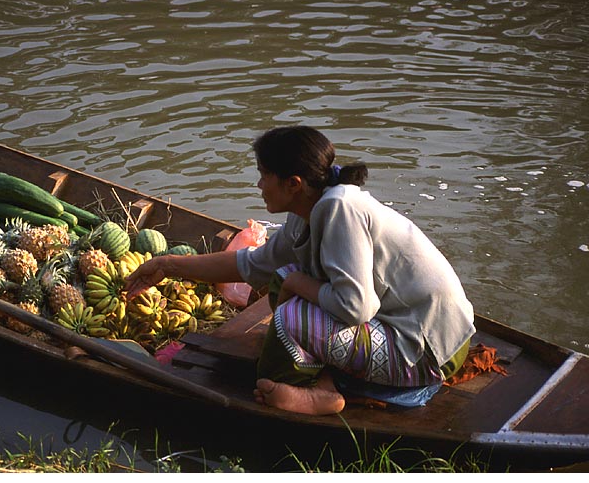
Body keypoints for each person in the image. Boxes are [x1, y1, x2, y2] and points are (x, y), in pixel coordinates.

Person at [125, 126, 475, 415]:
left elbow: (357, 308)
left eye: (264, 177)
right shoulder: (307, 212)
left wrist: (294, 282)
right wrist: (167, 265)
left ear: (293, 183)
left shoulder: (340, 209)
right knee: (282, 280)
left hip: (428, 349)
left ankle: (322, 391)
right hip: (404, 327)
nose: (259, 186)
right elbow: (250, 264)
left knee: (290, 313)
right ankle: (323, 380)